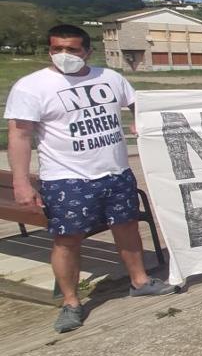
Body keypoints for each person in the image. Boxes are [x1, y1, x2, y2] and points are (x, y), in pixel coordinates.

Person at [5, 24, 176, 333]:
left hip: (115, 172)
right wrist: (21, 182)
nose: (64, 55)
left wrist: (139, 121)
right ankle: (71, 302)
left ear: (87, 51)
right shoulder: (31, 87)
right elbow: (19, 135)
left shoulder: (110, 78)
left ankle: (139, 280)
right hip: (67, 179)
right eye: (57, 49)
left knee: (127, 227)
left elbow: (138, 105)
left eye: (72, 49)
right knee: (67, 239)